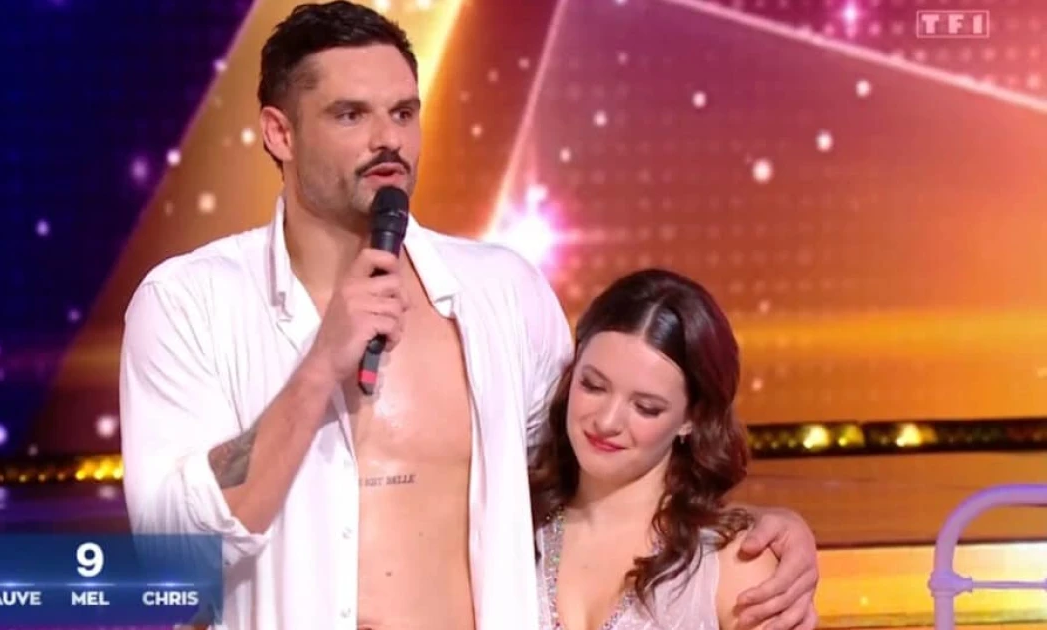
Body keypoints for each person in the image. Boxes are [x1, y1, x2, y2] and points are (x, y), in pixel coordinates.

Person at [117, 2, 818, 629]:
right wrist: (318, 369)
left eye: (403, 112)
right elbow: (172, 550)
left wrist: (748, 531)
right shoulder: (189, 305)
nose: (387, 139)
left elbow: (590, 473)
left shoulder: (501, 293)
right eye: (350, 115)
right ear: (279, 133)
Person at [529, 268, 781, 630]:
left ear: (692, 417)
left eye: (646, 408)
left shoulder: (733, 565)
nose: (607, 421)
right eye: (593, 386)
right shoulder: (511, 528)